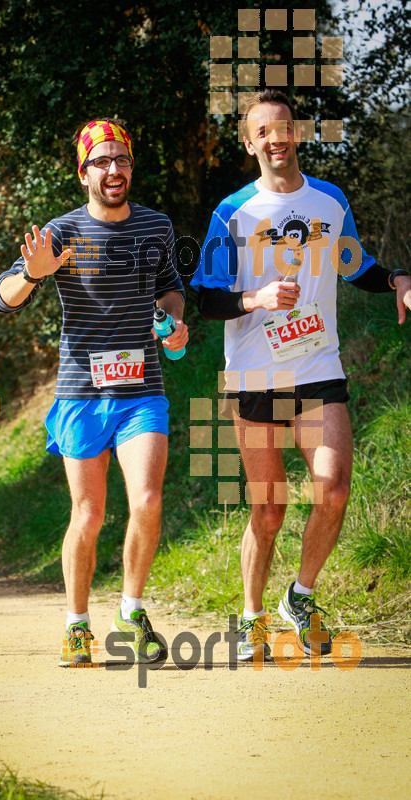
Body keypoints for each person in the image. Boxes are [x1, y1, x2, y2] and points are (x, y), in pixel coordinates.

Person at [191, 89, 411, 661]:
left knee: (333, 488)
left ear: (297, 134)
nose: (276, 138)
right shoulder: (231, 212)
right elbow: (206, 299)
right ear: (249, 143)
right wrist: (257, 297)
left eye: (284, 127)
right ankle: (250, 617)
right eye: (263, 131)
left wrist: (396, 280)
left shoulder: (330, 201)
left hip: (317, 367)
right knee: (269, 509)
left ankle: (301, 596)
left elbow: (355, 266)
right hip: (255, 374)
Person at [0, 118, 188, 667]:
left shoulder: (157, 227)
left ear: (131, 166)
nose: (113, 170)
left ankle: (129, 607)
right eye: (100, 161)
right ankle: (77, 624)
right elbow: (1, 300)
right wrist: (32, 275)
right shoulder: (61, 231)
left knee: (147, 500)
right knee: (89, 513)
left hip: (143, 387)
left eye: (121, 159)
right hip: (81, 393)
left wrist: (172, 321)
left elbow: (171, 287)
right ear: (83, 173)